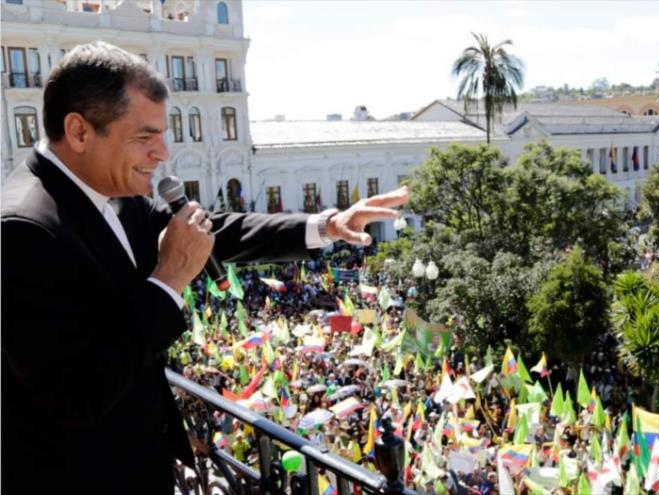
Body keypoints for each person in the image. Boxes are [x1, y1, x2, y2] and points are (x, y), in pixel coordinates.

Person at [1, 42, 407, 493]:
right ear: (79, 131)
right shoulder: (22, 228)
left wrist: (326, 225)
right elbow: (75, 395)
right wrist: (169, 280)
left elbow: (211, 232)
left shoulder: (109, 189)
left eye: (163, 134)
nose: (162, 153)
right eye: (145, 137)